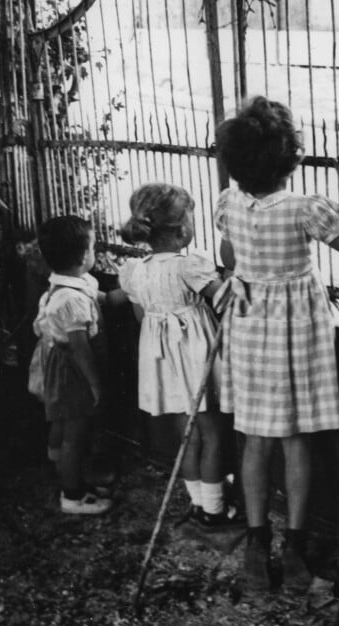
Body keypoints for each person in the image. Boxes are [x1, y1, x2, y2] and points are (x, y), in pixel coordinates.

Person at [214, 95, 339, 591]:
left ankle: (257, 547)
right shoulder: (307, 208)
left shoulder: (228, 202)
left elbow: (228, 254)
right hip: (297, 330)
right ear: (292, 158)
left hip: (249, 325)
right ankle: (297, 550)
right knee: (298, 439)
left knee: (256, 439)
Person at [118, 183, 241, 526]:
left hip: (162, 364)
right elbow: (225, 302)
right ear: (181, 229)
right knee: (214, 434)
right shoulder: (189, 267)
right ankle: (215, 511)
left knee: (187, 436)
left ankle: (200, 502)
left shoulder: (136, 271)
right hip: (195, 358)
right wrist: (234, 275)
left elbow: (141, 316)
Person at [33, 215, 113, 515]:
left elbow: (102, 299)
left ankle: (64, 471)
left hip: (59, 366)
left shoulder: (67, 285)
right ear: (83, 257)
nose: (95, 252)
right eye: (93, 247)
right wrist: (95, 384)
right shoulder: (71, 300)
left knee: (61, 423)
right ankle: (73, 494)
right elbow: (80, 348)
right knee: (74, 434)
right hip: (73, 372)